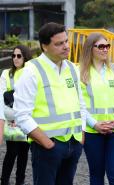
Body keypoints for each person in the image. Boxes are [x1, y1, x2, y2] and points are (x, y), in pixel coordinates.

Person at [13, 22, 86, 185]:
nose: (66, 46)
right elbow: (21, 115)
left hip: (73, 143)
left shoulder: (72, 68)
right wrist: (47, 143)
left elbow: (81, 104)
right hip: (47, 147)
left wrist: (81, 134)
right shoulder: (31, 71)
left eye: (66, 41)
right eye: (59, 43)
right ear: (44, 46)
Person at [80, 33, 114, 185]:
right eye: (101, 46)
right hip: (92, 131)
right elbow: (78, 104)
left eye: (107, 46)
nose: (105, 49)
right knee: (96, 175)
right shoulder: (79, 71)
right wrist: (94, 124)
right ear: (90, 48)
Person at [0, 45, 32, 185]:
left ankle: (20, 181)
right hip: (11, 119)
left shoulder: (30, 73)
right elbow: (2, 97)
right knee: (11, 152)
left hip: (26, 119)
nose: (15, 58)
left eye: (19, 56)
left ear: (25, 57)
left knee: (24, 154)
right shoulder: (6, 73)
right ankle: (4, 181)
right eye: (13, 55)